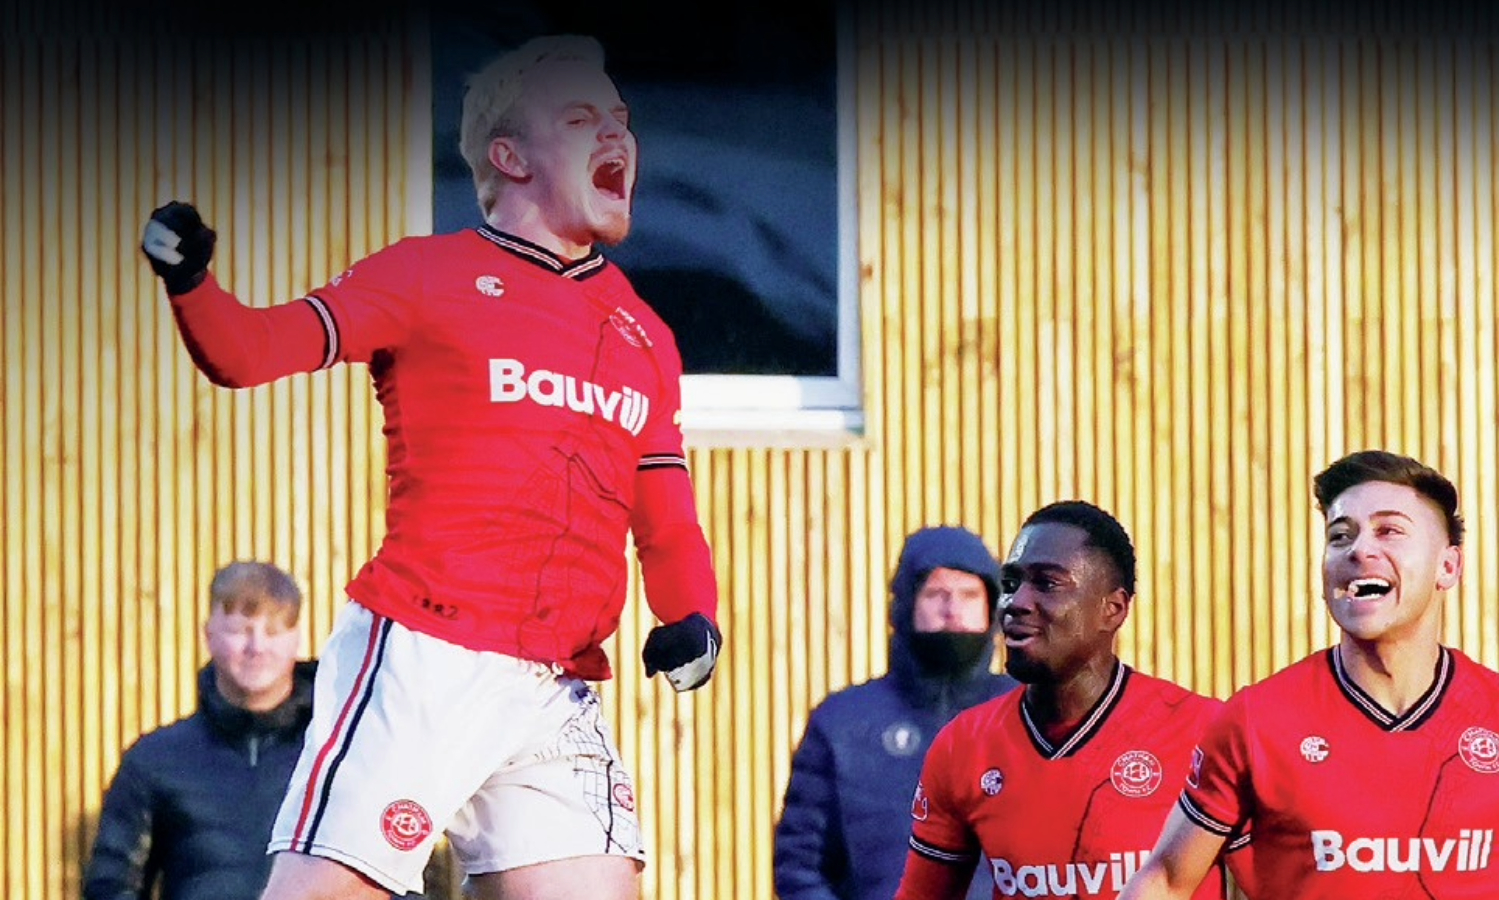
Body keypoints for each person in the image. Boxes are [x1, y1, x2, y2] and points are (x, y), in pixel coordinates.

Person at [137, 34, 722, 900]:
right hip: (425, 656)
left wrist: (693, 615)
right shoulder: (426, 274)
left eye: (622, 120)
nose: (617, 137)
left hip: (558, 682)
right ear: (508, 154)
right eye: (580, 117)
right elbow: (252, 349)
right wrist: (192, 283)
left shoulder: (644, 333)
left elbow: (666, 516)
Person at [1118, 450, 1499, 900]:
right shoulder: (1255, 721)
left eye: (1389, 532)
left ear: (1448, 566)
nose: (1359, 549)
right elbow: (1166, 878)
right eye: (1340, 535)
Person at [894, 501, 1239, 900]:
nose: (1015, 603)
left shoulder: (1204, 730)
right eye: (1010, 584)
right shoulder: (964, 746)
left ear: (1113, 609)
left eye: (1047, 583)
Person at [774, 526, 1014, 900]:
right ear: (905, 606)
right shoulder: (843, 724)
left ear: (993, 608)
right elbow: (799, 865)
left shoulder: (1036, 717)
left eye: (969, 595)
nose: (952, 609)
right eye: (937, 593)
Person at [83, 562, 315, 900]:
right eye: (240, 630)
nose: (257, 646)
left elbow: (403, 877)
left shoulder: (338, 757)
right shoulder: (154, 762)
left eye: (274, 631)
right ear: (208, 635)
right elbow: (111, 887)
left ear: (296, 639)